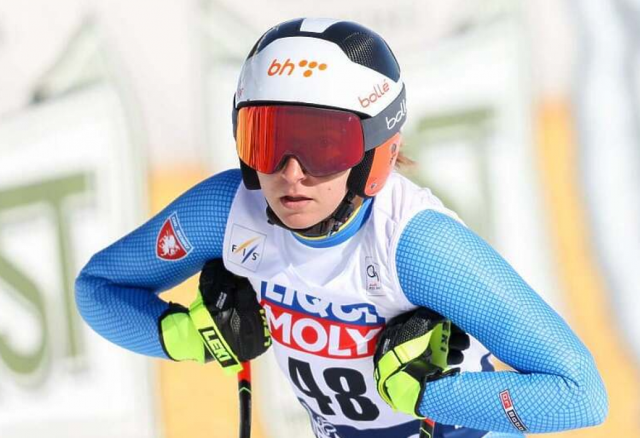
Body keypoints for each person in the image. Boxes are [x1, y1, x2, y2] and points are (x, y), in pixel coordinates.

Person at [75, 17, 608, 438]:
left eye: (323, 146)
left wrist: (428, 395)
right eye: (267, 139)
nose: (291, 173)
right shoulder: (228, 212)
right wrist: (185, 336)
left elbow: (580, 395)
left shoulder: (415, 247)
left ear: (377, 154)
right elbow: (96, 289)